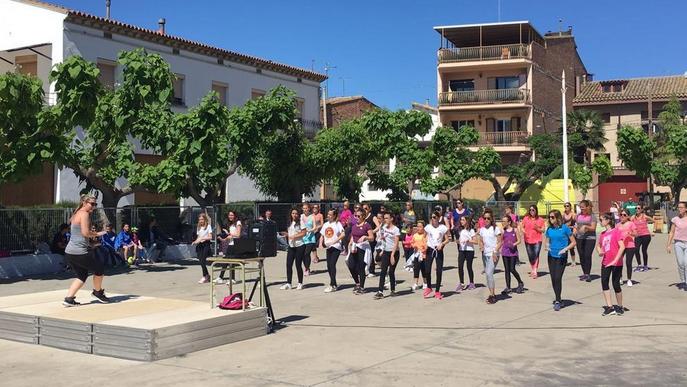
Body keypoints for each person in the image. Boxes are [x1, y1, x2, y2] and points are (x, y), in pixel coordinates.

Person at [62, 194, 110, 306]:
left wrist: (91, 244)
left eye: (95, 204)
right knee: (99, 269)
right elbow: (85, 233)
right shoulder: (84, 214)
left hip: (70, 252)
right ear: (84, 203)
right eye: (92, 204)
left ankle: (69, 299)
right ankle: (97, 292)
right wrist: (98, 233)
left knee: (81, 275)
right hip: (79, 252)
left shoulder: (76, 213)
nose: (94, 206)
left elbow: (79, 234)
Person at [543, 210, 575, 311]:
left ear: (557, 218)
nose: (550, 219)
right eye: (549, 217)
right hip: (551, 256)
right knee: (553, 278)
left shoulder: (564, 228)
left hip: (561, 256)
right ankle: (559, 299)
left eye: (552, 217)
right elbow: (547, 241)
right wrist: (547, 246)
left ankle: (557, 300)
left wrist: (565, 249)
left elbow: (573, 242)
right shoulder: (549, 229)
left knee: (557, 277)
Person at [598, 213, 626, 316]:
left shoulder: (616, 232)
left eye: (601, 220)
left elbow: (622, 247)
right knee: (604, 282)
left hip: (617, 262)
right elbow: (599, 246)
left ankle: (620, 306)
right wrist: (600, 251)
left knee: (616, 284)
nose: (600, 222)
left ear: (608, 220)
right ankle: (610, 307)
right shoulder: (602, 234)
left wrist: (616, 260)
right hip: (606, 261)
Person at [424, 211, 450, 299]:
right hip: (430, 249)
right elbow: (424, 236)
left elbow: (448, 239)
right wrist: (425, 244)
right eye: (432, 217)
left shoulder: (442, 228)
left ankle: (437, 291)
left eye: (435, 217)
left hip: (438, 250)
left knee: (439, 271)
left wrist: (442, 244)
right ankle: (429, 287)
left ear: (439, 218)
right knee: (427, 270)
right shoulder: (428, 227)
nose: (433, 219)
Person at [374, 212, 401, 299]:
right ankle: (380, 291)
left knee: (391, 272)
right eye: (384, 218)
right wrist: (382, 249)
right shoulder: (384, 227)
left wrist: (392, 255)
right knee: (383, 271)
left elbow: (396, 244)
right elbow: (384, 239)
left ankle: (393, 290)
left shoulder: (396, 229)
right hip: (386, 252)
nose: (384, 219)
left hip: (394, 252)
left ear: (391, 219)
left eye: (386, 218)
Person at [348, 209, 374, 295]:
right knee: (351, 265)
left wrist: (365, 237)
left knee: (361, 267)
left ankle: (362, 287)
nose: (357, 218)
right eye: (355, 216)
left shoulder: (367, 225)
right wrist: (351, 241)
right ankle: (357, 283)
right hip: (355, 247)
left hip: (363, 248)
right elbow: (353, 235)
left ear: (363, 216)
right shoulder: (354, 226)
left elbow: (372, 237)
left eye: (359, 216)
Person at [319, 209, 345, 293]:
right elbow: (322, 235)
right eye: (328, 214)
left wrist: (335, 241)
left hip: (336, 247)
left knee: (332, 264)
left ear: (334, 216)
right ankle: (334, 283)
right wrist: (320, 243)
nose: (328, 216)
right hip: (328, 247)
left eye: (330, 215)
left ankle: (332, 284)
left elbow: (343, 234)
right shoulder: (326, 224)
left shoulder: (337, 224)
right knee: (328, 266)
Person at [498, 215, 524, 294]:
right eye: (502, 221)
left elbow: (519, 240)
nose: (503, 223)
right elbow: (501, 241)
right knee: (507, 270)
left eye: (504, 221)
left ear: (509, 222)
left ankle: (520, 282)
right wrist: (497, 249)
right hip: (505, 252)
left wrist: (513, 244)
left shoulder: (515, 230)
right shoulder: (502, 231)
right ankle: (508, 287)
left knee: (512, 269)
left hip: (513, 252)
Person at [479, 213, 500, 304]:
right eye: (485, 218)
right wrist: (481, 246)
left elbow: (500, 242)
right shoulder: (482, 229)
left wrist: (495, 252)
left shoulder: (495, 229)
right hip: (485, 254)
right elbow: (480, 240)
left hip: (493, 254)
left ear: (491, 219)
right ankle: (491, 293)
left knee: (489, 273)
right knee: (488, 275)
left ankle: (493, 295)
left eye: (488, 218)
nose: (486, 219)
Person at [282, 209, 306, 290]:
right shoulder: (290, 223)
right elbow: (290, 234)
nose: (294, 215)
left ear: (298, 214)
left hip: (300, 245)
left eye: (296, 213)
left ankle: (300, 283)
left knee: (298, 264)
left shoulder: (301, 222)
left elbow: (304, 233)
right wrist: (286, 235)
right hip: (291, 246)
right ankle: (289, 283)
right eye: (293, 213)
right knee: (288, 264)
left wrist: (294, 236)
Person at [216, 211, 242, 283]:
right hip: (230, 244)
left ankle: (232, 279)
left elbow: (238, 235)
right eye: (229, 215)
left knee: (232, 262)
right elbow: (231, 236)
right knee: (227, 260)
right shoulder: (231, 224)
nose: (230, 216)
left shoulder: (238, 223)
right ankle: (221, 277)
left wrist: (229, 234)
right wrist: (224, 238)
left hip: (235, 244)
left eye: (232, 215)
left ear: (235, 216)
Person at [575, 200, 598, 282]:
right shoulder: (578, 216)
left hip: (590, 238)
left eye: (583, 207)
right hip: (579, 238)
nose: (581, 209)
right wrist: (575, 230)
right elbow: (577, 226)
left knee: (587, 255)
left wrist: (586, 227)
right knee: (581, 255)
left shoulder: (592, 216)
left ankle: (588, 274)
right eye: (580, 207)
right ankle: (584, 273)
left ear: (587, 207)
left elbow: (593, 228)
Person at [666, 201, 687, 290]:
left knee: (686, 263)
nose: (679, 209)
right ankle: (682, 280)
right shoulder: (675, 219)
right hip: (678, 243)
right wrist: (668, 245)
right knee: (680, 263)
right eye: (679, 207)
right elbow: (671, 232)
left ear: (686, 209)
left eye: (681, 207)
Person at [520, 205, 545, 279]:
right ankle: (533, 269)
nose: (531, 211)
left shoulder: (540, 219)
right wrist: (524, 231)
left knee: (536, 255)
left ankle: (534, 271)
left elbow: (543, 230)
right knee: (530, 256)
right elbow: (521, 226)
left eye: (533, 210)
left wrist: (537, 228)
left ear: (536, 210)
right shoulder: (526, 218)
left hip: (537, 240)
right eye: (530, 210)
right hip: (528, 239)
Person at [616, 209, 637, 287]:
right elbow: (615, 235)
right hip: (621, 246)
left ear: (628, 216)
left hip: (630, 245)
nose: (622, 216)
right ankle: (620, 278)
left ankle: (629, 279)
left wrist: (631, 233)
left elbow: (636, 234)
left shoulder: (631, 224)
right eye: (621, 214)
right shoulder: (618, 225)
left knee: (628, 263)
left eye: (624, 215)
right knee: (619, 262)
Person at [456, 216, 477, 292]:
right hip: (461, 250)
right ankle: (461, 283)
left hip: (469, 250)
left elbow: (476, 241)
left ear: (467, 221)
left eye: (463, 220)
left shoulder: (471, 230)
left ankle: (471, 283)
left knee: (469, 267)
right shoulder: (460, 230)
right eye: (461, 220)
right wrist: (458, 241)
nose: (461, 221)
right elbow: (459, 240)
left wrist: (468, 240)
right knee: (460, 266)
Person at [192, 213, 213, 283]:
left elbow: (210, 237)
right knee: (201, 261)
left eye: (202, 219)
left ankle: (205, 276)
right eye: (200, 219)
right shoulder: (198, 227)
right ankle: (206, 275)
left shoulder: (208, 226)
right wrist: (195, 241)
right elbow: (198, 237)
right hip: (200, 245)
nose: (201, 221)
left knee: (203, 261)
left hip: (206, 245)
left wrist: (203, 238)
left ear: (205, 220)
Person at [632, 205, 653, 272]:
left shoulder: (644, 216)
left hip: (646, 236)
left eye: (638, 208)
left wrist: (652, 231)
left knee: (644, 250)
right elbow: (628, 222)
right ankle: (639, 265)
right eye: (636, 208)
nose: (637, 209)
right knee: (636, 249)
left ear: (641, 210)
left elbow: (653, 220)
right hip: (637, 236)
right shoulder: (633, 217)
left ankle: (645, 265)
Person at [362, 203, 380, 277]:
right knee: (363, 254)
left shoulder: (373, 217)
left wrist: (372, 231)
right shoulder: (362, 217)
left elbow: (378, 226)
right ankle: (364, 270)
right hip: (364, 239)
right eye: (363, 209)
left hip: (371, 239)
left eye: (366, 208)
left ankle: (372, 271)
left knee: (370, 254)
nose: (364, 210)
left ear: (369, 209)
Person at [410, 221, 428, 291]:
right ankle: (416, 283)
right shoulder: (415, 235)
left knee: (424, 269)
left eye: (420, 226)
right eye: (417, 226)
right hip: (417, 254)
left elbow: (427, 244)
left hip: (423, 255)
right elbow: (412, 242)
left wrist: (424, 249)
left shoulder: (425, 235)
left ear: (423, 227)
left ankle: (425, 283)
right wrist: (414, 246)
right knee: (416, 269)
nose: (418, 228)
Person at [300, 203, 317, 276]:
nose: (305, 210)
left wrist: (309, 230)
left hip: (310, 238)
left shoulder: (312, 217)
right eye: (304, 208)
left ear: (309, 208)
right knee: (303, 254)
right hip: (303, 238)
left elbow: (315, 227)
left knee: (307, 253)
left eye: (306, 208)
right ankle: (306, 267)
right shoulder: (301, 216)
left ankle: (307, 268)